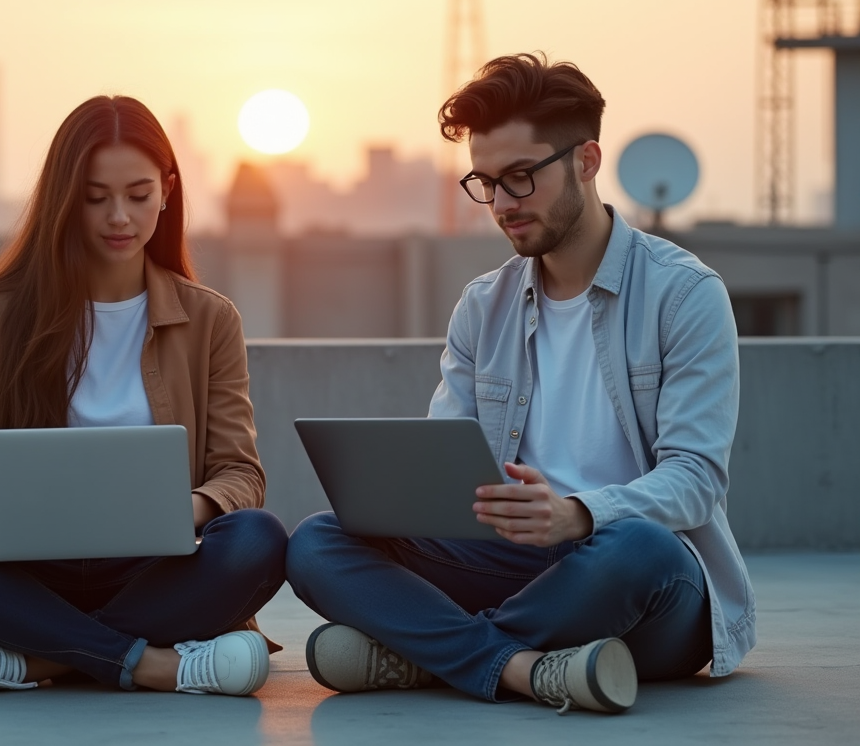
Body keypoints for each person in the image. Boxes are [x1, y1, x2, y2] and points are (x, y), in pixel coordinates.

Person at [285, 53, 755, 714]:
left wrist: (577, 513)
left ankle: (431, 656)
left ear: (586, 162)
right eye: (486, 183)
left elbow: (697, 481)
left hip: (639, 582)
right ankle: (526, 667)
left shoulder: (683, 294)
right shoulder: (484, 305)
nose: (502, 204)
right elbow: (444, 465)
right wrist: (419, 502)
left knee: (636, 547)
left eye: (521, 178)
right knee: (316, 540)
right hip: (511, 566)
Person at [0, 95, 288, 698]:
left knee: (259, 540)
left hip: (155, 570)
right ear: (63, 198)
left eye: (138, 194)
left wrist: (190, 509)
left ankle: (35, 660)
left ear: (168, 189)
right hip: (28, 571)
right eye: (95, 198)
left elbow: (238, 471)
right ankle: (155, 664)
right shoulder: (0, 316)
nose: (119, 217)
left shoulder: (210, 319)